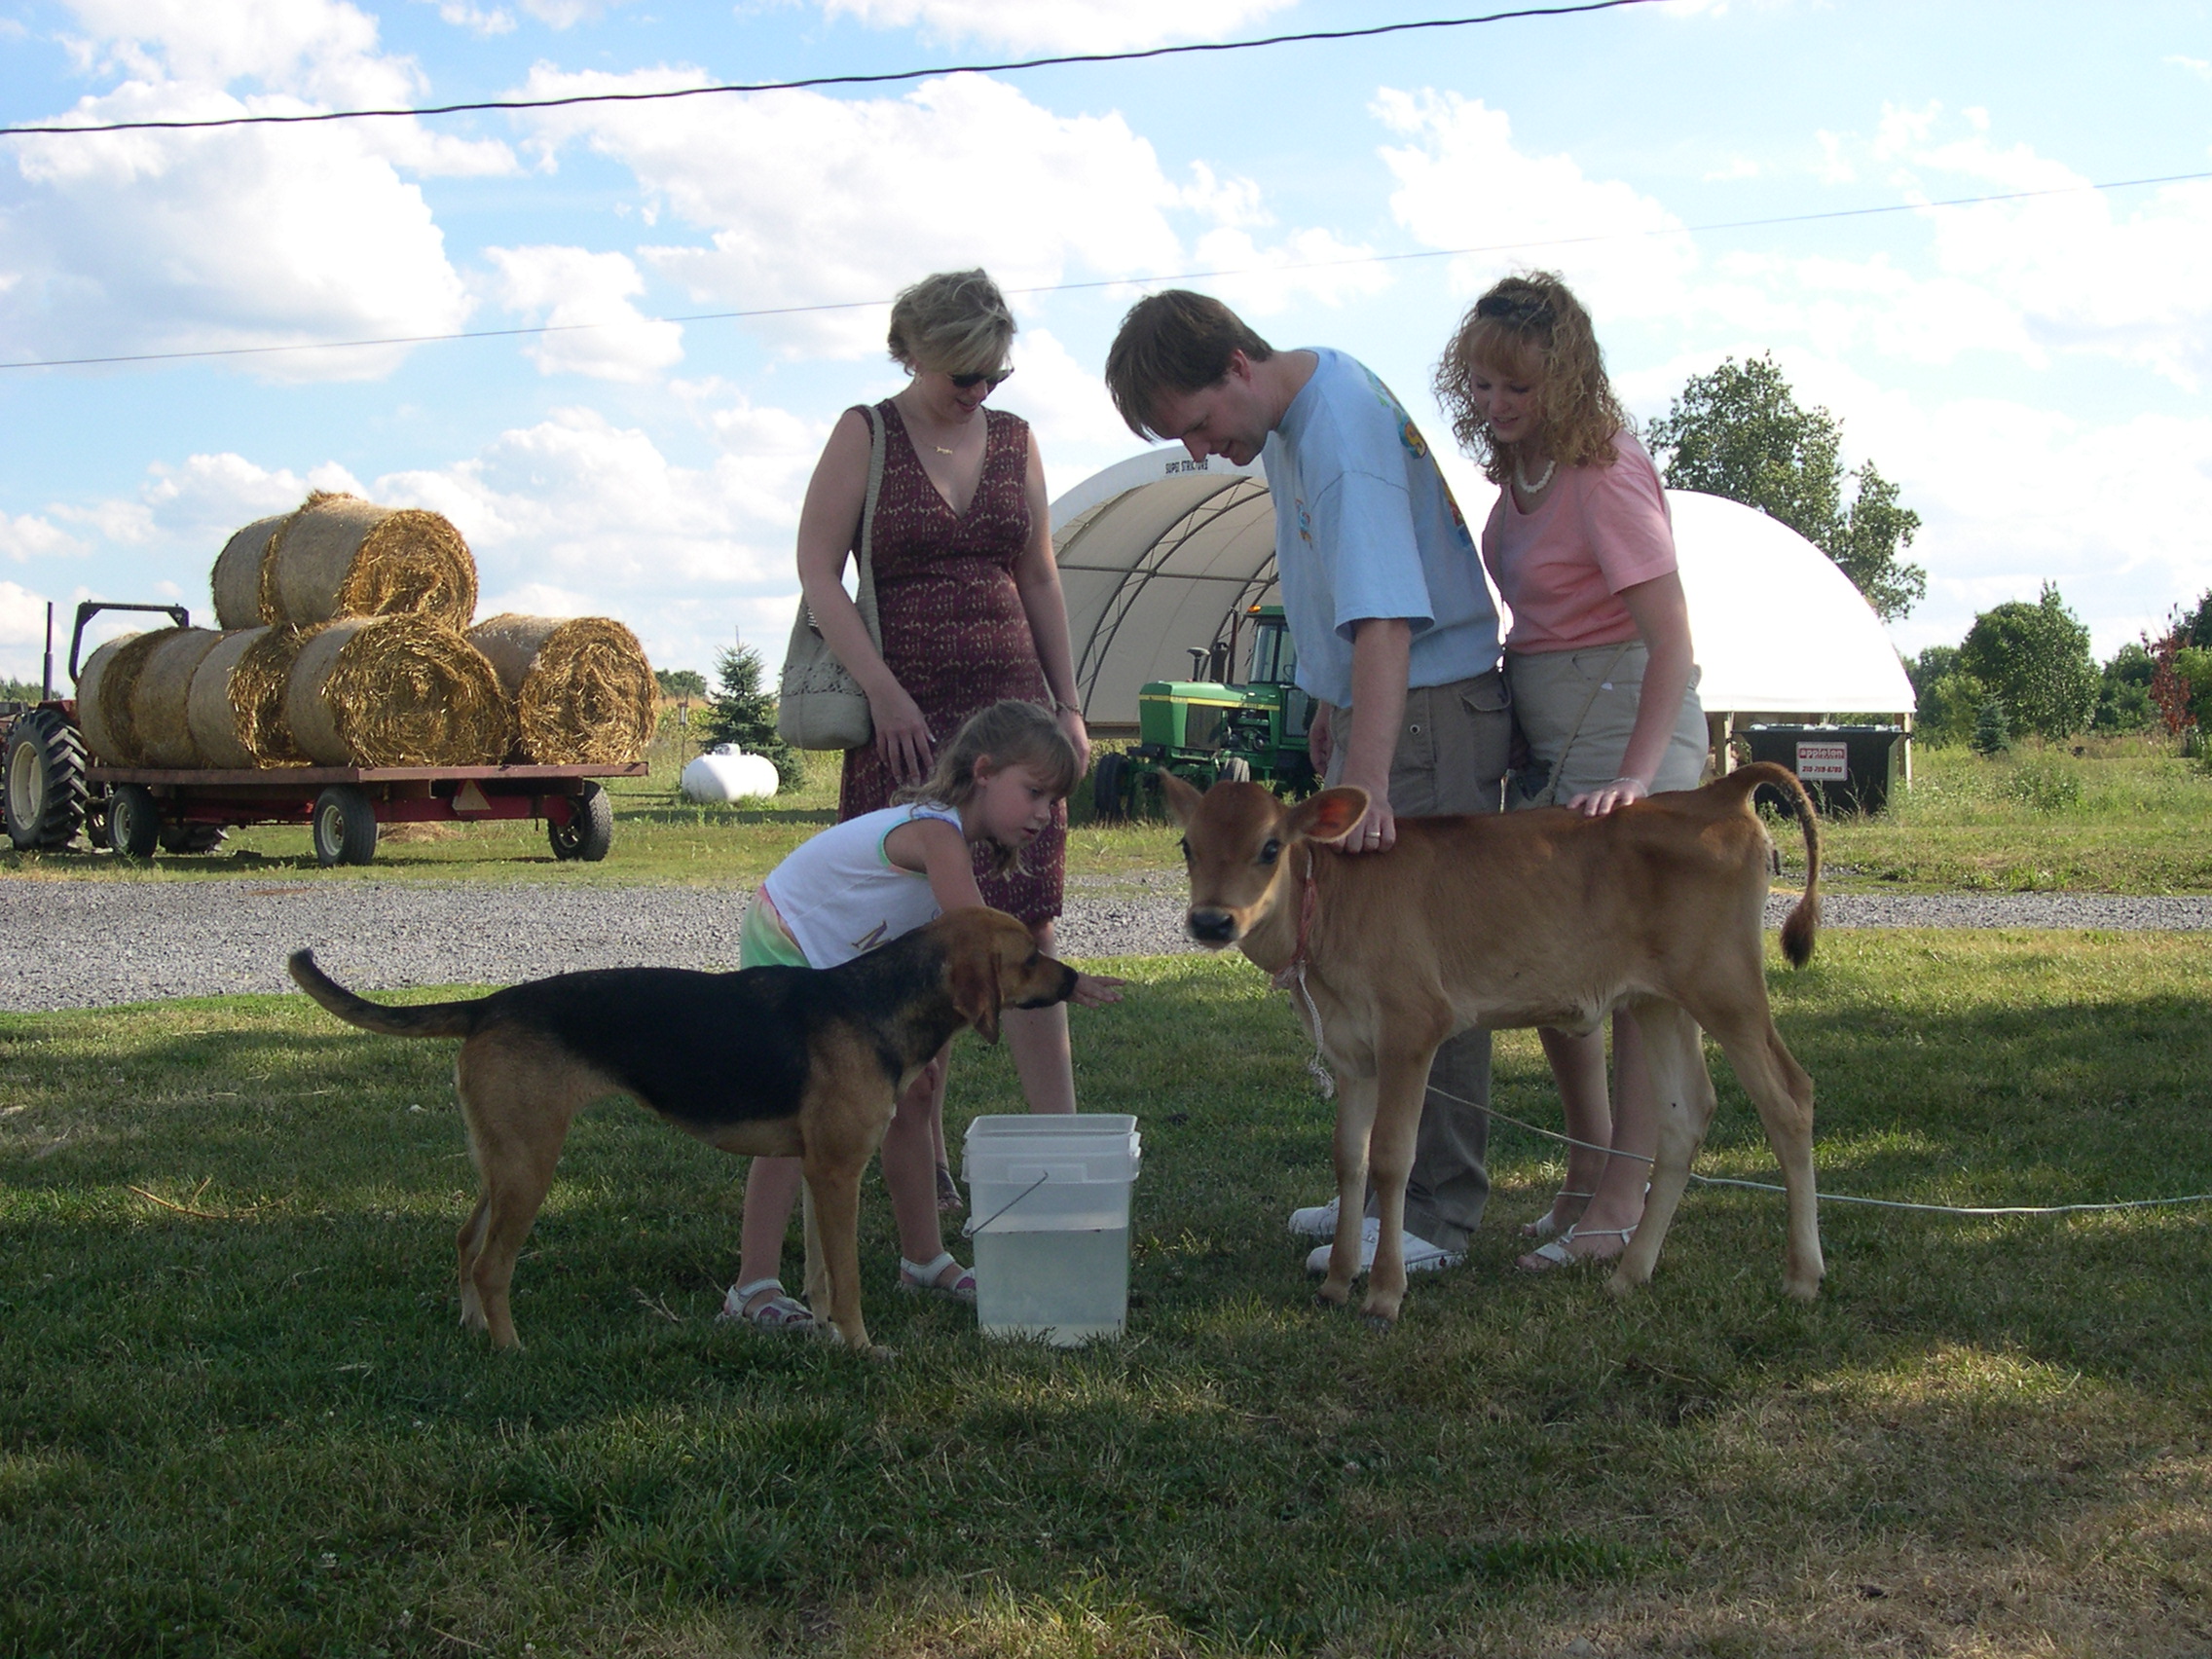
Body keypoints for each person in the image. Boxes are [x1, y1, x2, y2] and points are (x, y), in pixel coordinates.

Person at [1103, 289, 1511, 1277]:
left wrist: (1365, 779)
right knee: (1356, 959)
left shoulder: (1337, 430)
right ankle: (1375, 1196)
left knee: (1421, 968)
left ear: (1236, 366)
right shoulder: (1295, 414)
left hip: (1422, 709)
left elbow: (1384, 618)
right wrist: (1326, 703)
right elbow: (1332, 593)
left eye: (1195, 423)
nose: (1198, 450)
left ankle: (1434, 1213)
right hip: (1380, 708)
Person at [791, 268, 1094, 1210]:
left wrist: (1069, 706)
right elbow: (816, 572)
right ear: (910, 351)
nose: (978, 393)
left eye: (992, 376)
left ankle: (1063, 1158)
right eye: (962, 375)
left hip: (1012, 710)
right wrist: (883, 692)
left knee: (1028, 923)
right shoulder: (865, 433)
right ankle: (919, 1165)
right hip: (906, 716)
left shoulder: (1015, 440)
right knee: (908, 937)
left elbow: (1038, 576)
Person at [1432, 271, 1710, 1273]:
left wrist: (1637, 778)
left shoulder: (1606, 471)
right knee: (1555, 970)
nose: (1497, 408)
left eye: (1519, 390)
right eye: (1482, 388)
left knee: (1633, 974)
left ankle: (1624, 1193)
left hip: (1626, 727)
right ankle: (1586, 1168)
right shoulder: (1520, 477)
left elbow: (1671, 645)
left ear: (1566, 379)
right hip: (1553, 732)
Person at [720, 701, 1124, 1331]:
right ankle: (753, 1287)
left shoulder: (952, 838)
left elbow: (942, 965)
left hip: (849, 960)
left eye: (1054, 802)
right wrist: (1064, 984)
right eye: (1036, 793)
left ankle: (923, 1259)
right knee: (800, 1112)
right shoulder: (937, 834)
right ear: (984, 771)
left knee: (914, 1097)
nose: (1046, 816)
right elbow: (981, 943)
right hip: (790, 940)